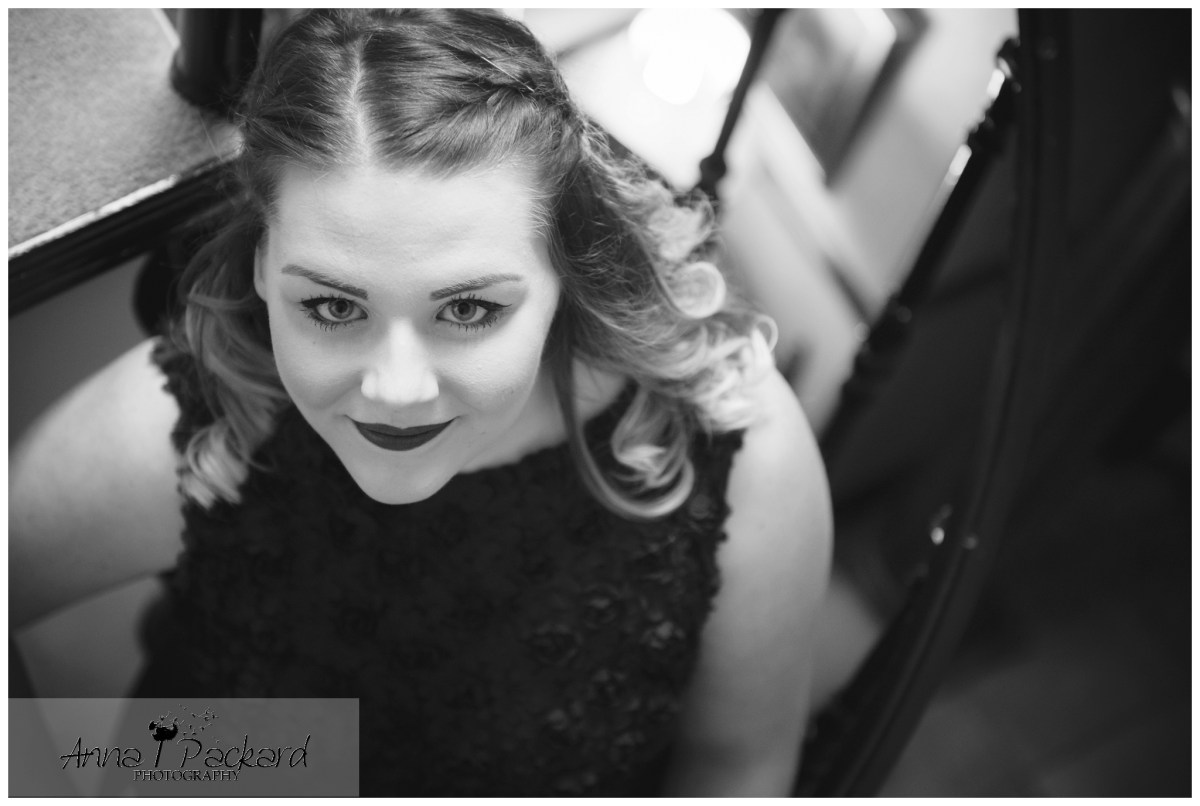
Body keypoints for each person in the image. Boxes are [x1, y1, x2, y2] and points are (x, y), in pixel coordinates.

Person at [10, 9, 831, 796]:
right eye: (333, 306)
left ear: (564, 273)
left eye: (468, 309)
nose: (396, 391)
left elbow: (737, 767)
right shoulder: (210, 416)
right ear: (263, 266)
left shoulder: (733, 448)